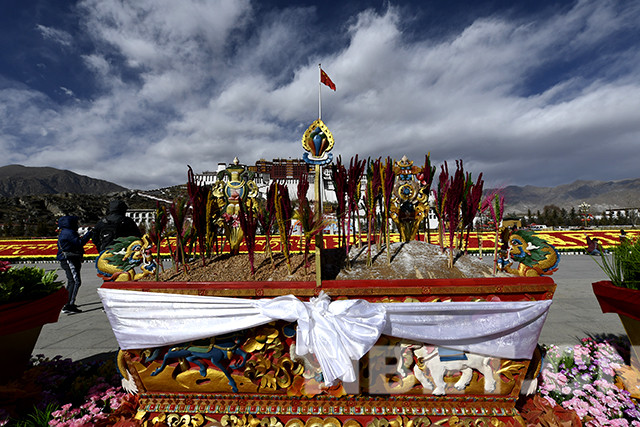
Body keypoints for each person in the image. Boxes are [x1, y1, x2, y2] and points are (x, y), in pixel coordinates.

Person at [57, 216, 93, 314]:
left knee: (72, 281)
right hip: (69, 259)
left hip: (70, 258)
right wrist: (89, 234)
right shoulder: (68, 232)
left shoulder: (66, 231)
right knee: (75, 281)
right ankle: (69, 305)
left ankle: (67, 302)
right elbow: (79, 243)